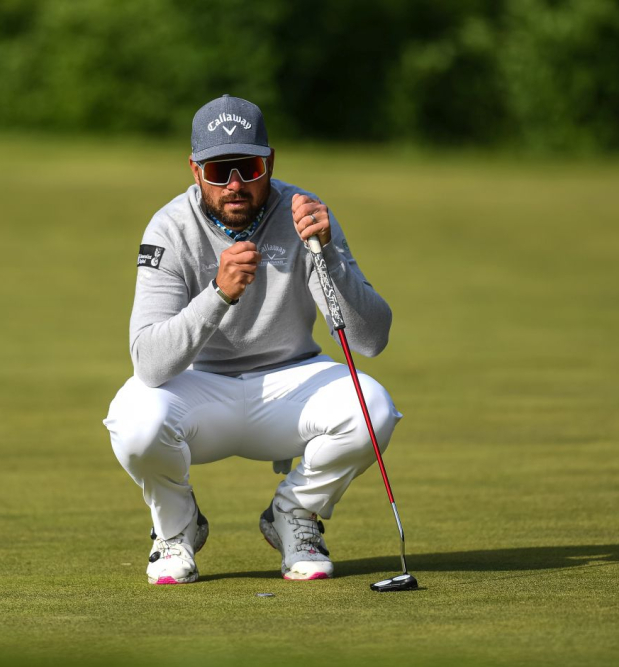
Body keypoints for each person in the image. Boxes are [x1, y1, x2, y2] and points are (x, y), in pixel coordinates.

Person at [103, 94, 402, 585]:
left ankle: (296, 514)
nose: (236, 184)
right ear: (195, 169)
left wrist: (329, 256)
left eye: (248, 165)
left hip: (292, 379)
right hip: (199, 389)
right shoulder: (168, 227)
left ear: (270, 162)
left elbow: (371, 340)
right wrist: (217, 294)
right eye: (220, 170)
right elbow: (150, 364)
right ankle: (175, 530)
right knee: (134, 420)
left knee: (373, 409)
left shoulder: (306, 213)